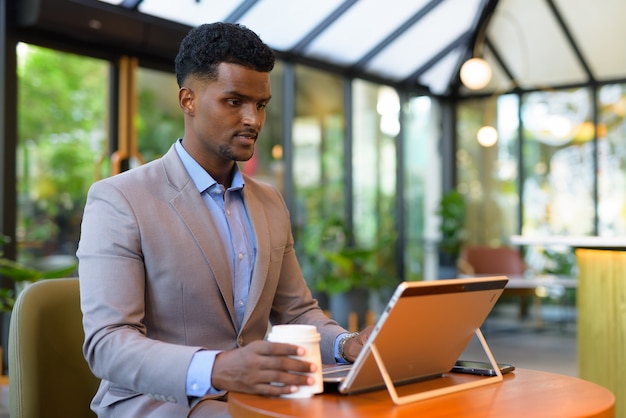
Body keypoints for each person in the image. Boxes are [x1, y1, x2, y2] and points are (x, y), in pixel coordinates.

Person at [77, 22, 372, 417]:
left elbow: (298, 313)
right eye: (235, 102)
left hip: (257, 398)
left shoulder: (269, 201)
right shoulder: (119, 199)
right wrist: (217, 368)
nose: (253, 119)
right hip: (157, 404)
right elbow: (107, 344)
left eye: (261, 104)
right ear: (188, 100)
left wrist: (346, 344)